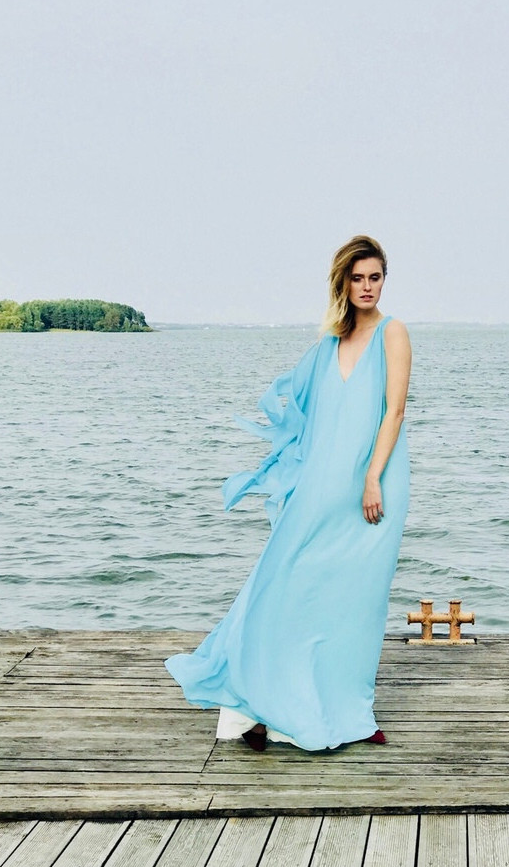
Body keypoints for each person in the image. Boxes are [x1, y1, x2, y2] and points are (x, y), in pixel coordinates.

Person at [164, 235, 411, 751]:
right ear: (343, 282)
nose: (367, 287)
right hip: (320, 487)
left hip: (375, 486)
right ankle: (255, 708)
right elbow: (301, 416)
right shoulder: (327, 346)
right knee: (283, 586)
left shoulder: (393, 334)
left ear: (385, 279)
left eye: (375, 277)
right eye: (358, 278)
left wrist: (371, 477)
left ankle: (350, 710)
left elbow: (394, 412)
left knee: (355, 602)